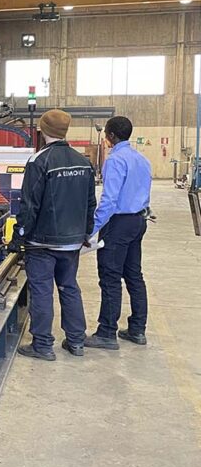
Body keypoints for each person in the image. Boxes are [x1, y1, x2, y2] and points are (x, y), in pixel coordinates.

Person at [12, 109, 97, 361]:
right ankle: (76, 341)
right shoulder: (83, 162)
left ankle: (42, 345)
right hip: (72, 241)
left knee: (42, 290)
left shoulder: (39, 161)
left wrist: (19, 235)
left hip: (42, 242)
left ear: (42, 129)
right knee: (69, 287)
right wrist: (85, 232)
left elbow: (29, 205)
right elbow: (90, 203)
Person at [85, 116, 152, 350]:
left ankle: (106, 333)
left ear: (111, 136)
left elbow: (109, 200)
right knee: (134, 275)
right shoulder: (142, 159)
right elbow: (145, 193)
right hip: (138, 221)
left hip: (119, 224)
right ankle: (137, 329)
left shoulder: (115, 160)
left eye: (106, 134)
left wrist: (91, 229)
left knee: (110, 277)